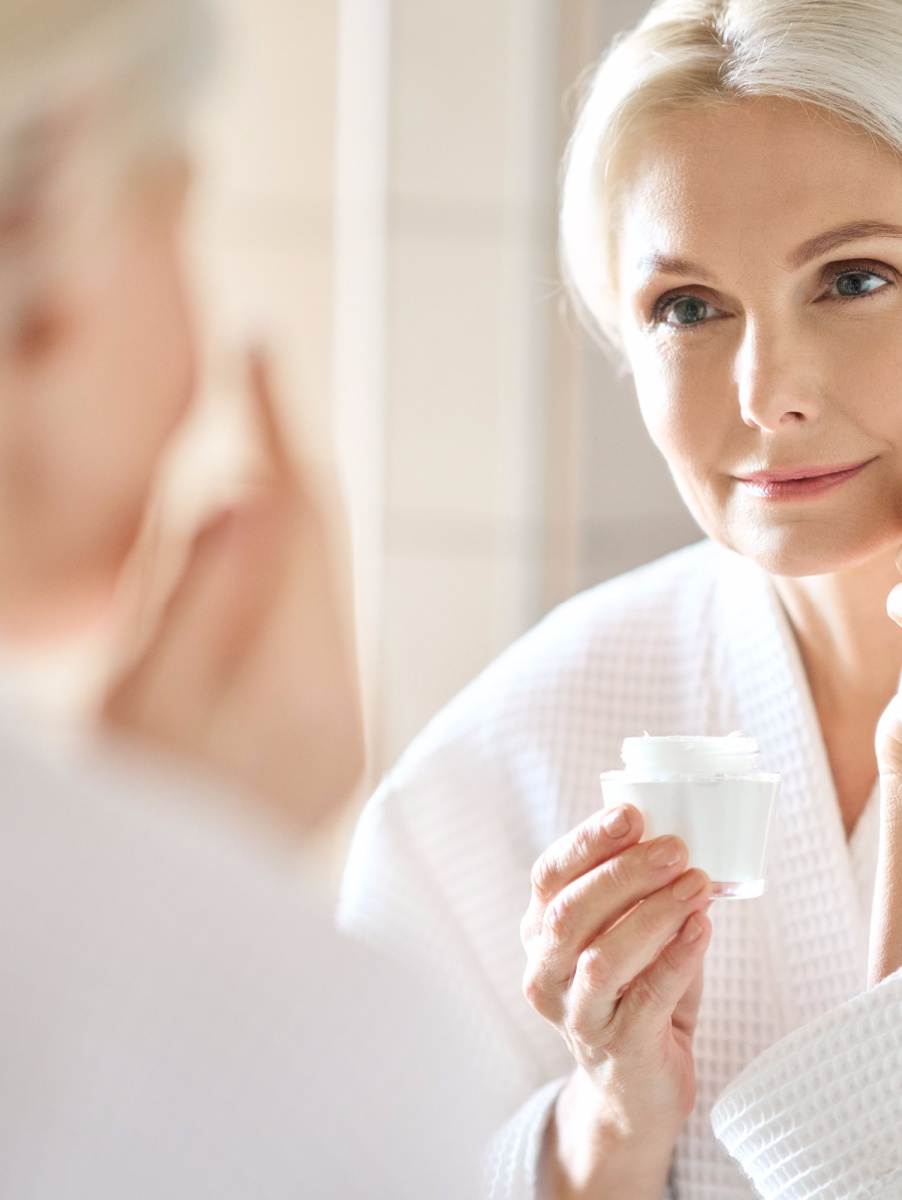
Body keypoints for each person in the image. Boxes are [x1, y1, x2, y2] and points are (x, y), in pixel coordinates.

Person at [339, 1, 902, 1197]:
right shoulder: (527, 737)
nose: (765, 391)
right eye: (686, 308)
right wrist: (605, 1125)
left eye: (853, 279)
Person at [0, 0, 498, 1193]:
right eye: (176, 206)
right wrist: (184, 901)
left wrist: (164, 837)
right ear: (49, 217)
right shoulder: (332, 1057)